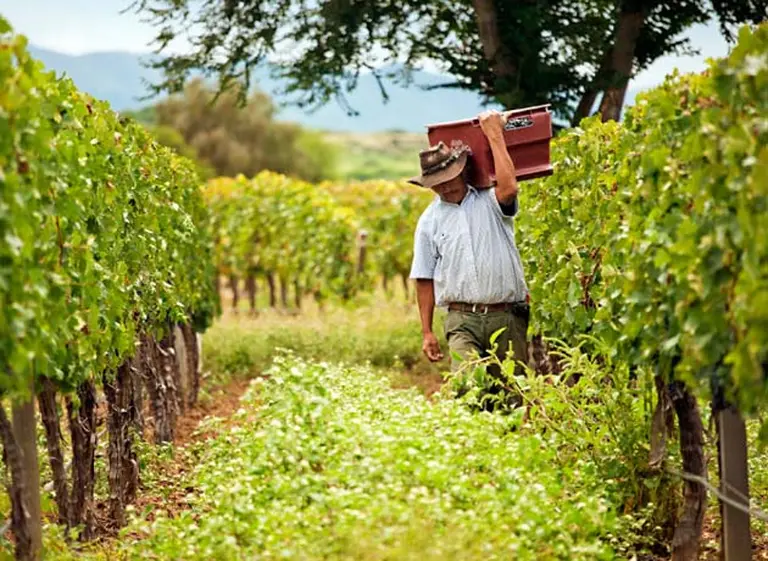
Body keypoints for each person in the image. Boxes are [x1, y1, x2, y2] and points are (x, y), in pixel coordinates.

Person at [408, 109, 530, 390]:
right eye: (437, 183)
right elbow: (424, 277)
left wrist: (494, 135)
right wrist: (426, 331)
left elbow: (510, 189)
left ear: (462, 171)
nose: (445, 187)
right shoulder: (429, 221)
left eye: (450, 177)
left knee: (511, 394)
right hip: (461, 320)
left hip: (507, 316)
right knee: (466, 389)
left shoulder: (490, 201)